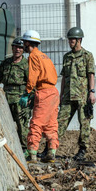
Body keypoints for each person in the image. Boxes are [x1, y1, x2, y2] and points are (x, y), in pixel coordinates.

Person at [19, 30, 60, 163]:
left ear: (27, 42)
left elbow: (33, 75)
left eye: (24, 42)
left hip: (44, 92)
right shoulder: (44, 56)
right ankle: (51, 152)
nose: (22, 45)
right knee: (51, 124)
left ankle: (32, 154)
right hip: (53, 92)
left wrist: (28, 92)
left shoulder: (33, 56)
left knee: (36, 123)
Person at [57, 27, 96, 161]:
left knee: (84, 123)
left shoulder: (87, 56)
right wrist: (60, 96)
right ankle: (51, 148)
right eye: (69, 40)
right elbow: (64, 78)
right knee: (60, 122)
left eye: (72, 39)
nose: (70, 42)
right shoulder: (66, 57)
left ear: (79, 40)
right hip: (68, 96)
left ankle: (83, 150)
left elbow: (91, 75)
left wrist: (92, 92)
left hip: (82, 96)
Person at [0, 37, 31, 151]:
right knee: (5, 122)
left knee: (22, 125)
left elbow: (31, 83)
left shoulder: (26, 65)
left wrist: (28, 97)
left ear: (23, 50)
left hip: (20, 99)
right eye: (15, 47)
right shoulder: (6, 63)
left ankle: (24, 149)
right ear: (12, 48)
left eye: (20, 48)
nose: (17, 50)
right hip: (6, 97)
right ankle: (7, 146)